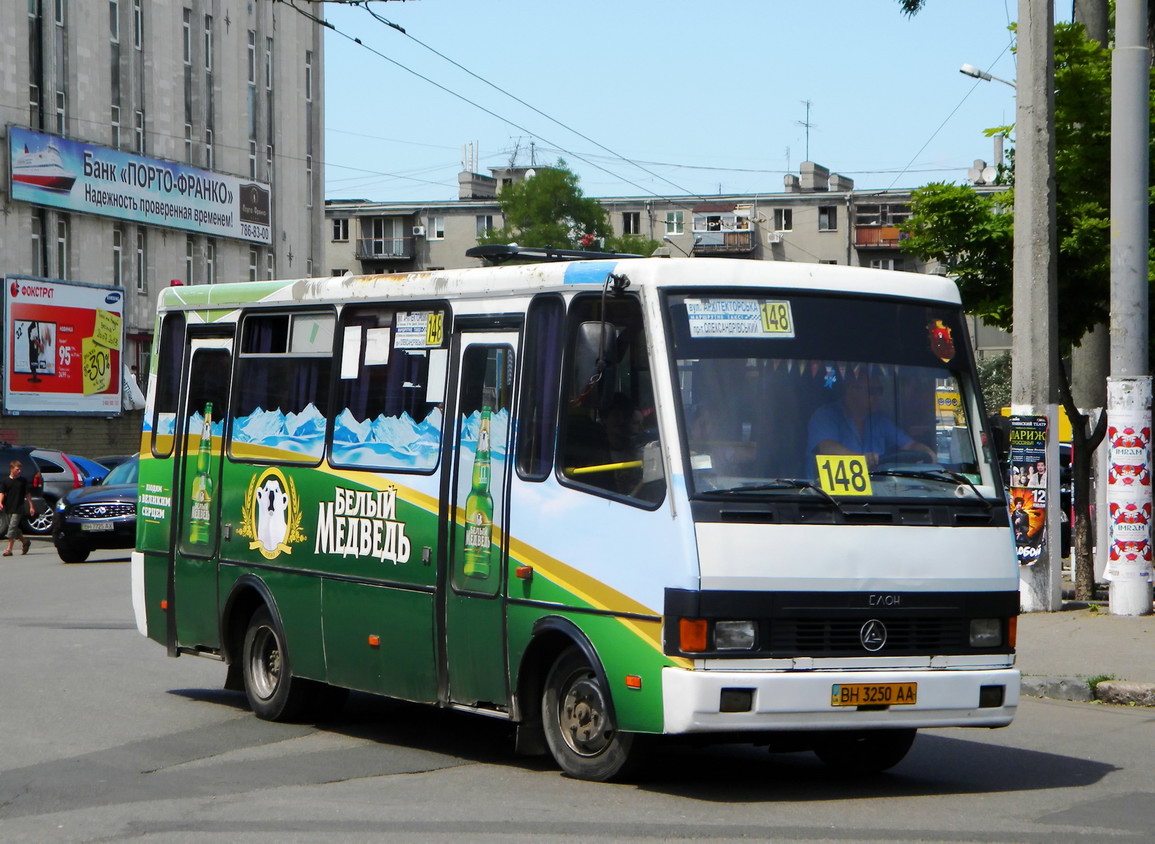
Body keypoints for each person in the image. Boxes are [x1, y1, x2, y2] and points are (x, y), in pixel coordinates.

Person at [808, 372, 936, 470]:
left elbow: (909, 445)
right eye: (873, 392)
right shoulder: (826, 415)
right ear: (852, 390)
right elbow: (826, 447)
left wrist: (925, 451)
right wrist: (861, 461)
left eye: (880, 391)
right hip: (828, 497)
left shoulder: (880, 421)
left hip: (877, 494)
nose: (879, 397)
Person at [0, 460, 35, 556]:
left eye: (20, 469)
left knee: (11, 528)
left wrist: (31, 506)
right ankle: (25, 542)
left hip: (18, 507)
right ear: (11, 469)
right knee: (13, 528)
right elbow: (2, 492)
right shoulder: (5, 481)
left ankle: (9, 549)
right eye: (17, 469)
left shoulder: (23, 481)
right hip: (8, 507)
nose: (19, 471)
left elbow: (28, 494)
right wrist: (0, 502)